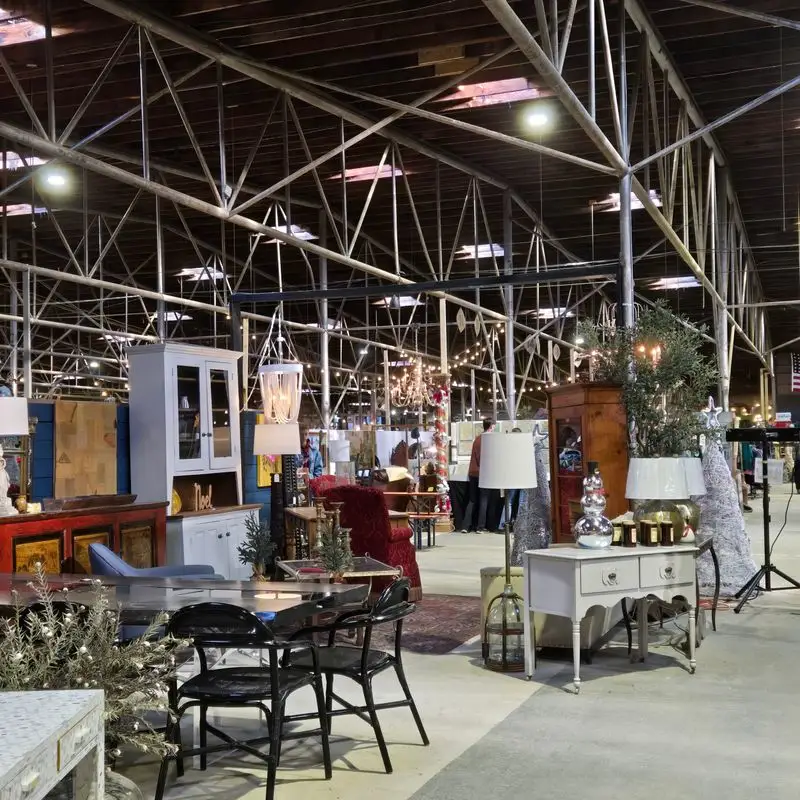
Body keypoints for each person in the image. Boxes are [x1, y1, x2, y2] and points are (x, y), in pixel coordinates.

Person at [462, 418, 494, 533]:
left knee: (472, 500)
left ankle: (466, 526)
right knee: (484, 499)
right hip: (483, 473)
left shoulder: (477, 439)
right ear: (491, 426)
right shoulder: (488, 440)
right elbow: (484, 458)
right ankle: (480, 527)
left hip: (472, 472)